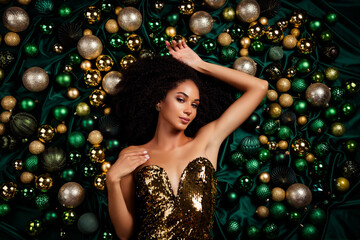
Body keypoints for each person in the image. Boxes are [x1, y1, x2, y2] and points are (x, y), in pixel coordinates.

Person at [106, 39, 268, 240]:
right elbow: (125, 233)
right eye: (181, 99)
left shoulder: (206, 141)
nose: (188, 110)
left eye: (195, 104)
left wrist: (200, 65)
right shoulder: (133, 155)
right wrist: (112, 181)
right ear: (158, 100)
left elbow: (259, 87)